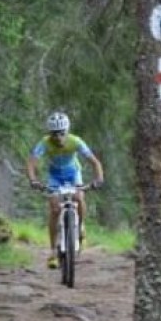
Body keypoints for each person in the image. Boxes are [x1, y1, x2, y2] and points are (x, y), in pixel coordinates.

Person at [26, 111, 104, 269]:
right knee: (54, 209)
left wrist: (98, 179)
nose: (58, 137)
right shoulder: (45, 143)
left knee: (79, 197)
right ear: (50, 134)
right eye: (54, 134)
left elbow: (94, 162)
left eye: (62, 133)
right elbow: (31, 162)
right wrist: (33, 179)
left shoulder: (76, 142)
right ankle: (53, 251)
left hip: (73, 174)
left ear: (67, 131)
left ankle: (81, 227)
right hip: (54, 176)